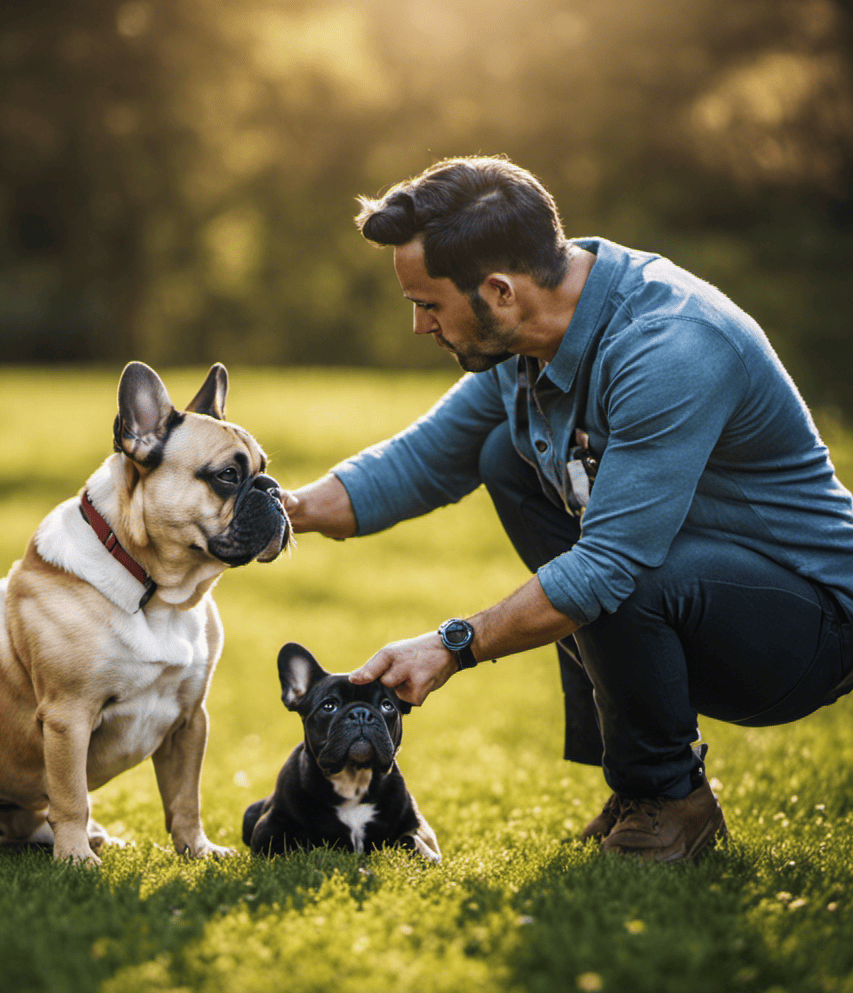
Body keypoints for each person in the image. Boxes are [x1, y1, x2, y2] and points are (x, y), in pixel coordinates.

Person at [282, 155, 853, 863]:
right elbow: (422, 460)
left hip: (809, 626)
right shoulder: (530, 341)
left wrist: (451, 646)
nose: (418, 326)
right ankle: (642, 780)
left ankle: (671, 797)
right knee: (503, 458)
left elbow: (609, 566)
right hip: (693, 591)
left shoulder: (668, 345)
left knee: (616, 572)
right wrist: (280, 513)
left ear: (498, 290)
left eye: (428, 304)